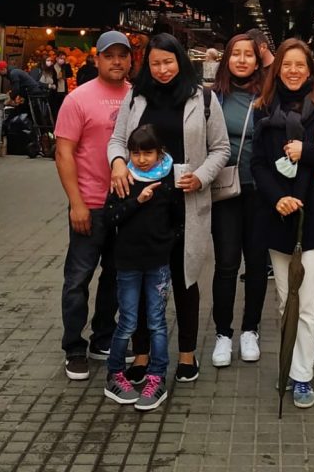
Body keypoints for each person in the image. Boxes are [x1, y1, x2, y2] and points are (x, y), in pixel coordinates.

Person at [108, 32, 230, 384]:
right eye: (155, 63)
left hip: (185, 206)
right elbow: (118, 139)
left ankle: (187, 354)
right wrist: (117, 162)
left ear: (181, 61)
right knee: (143, 280)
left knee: (184, 280)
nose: (162, 70)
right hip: (142, 207)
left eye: (169, 61)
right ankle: (143, 352)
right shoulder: (136, 96)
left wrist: (202, 177)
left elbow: (220, 148)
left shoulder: (203, 98)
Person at [251, 38, 314, 410]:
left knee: (307, 303)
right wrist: (277, 197)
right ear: (277, 68)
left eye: (300, 65)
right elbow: (258, 164)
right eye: (286, 65)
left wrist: (305, 150)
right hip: (278, 217)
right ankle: (290, 363)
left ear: (311, 71)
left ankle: (302, 376)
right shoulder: (263, 109)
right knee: (284, 301)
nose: (293, 71)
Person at [54, 30, 133, 381]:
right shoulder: (78, 99)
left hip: (126, 204)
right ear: (96, 59)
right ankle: (74, 346)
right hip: (90, 203)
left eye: (122, 55)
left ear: (131, 60)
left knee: (116, 276)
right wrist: (76, 203)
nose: (116, 61)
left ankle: (103, 337)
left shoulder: (137, 97)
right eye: (109, 55)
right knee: (78, 278)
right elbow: (63, 152)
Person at [104, 125, 183, 412]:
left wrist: (166, 244)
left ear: (159, 152)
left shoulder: (168, 181)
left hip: (157, 264)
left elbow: (177, 220)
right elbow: (110, 217)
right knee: (127, 321)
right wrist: (137, 201)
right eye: (135, 153)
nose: (142, 159)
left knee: (157, 322)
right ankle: (114, 374)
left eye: (148, 153)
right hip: (126, 263)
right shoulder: (122, 179)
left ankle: (156, 376)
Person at [209, 34, 267, 368]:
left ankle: (250, 329)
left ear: (258, 62)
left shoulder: (267, 96)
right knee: (227, 262)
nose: (242, 60)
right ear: (226, 59)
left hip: (260, 191)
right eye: (236, 54)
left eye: (249, 55)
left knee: (257, 264)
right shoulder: (214, 97)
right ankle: (223, 333)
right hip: (225, 191)